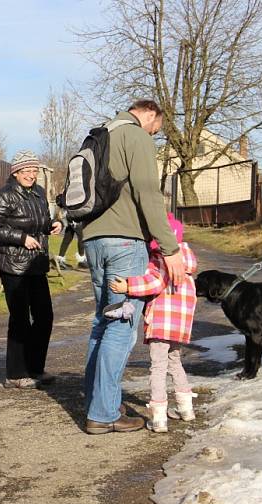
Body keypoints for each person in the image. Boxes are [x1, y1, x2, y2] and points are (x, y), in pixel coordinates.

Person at [82, 99, 186, 435]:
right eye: (158, 129)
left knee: (103, 322)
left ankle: (97, 402)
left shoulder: (100, 135)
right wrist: (170, 248)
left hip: (94, 240)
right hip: (125, 242)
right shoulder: (136, 136)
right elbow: (148, 193)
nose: (155, 134)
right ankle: (104, 413)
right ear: (150, 114)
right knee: (121, 327)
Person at [108, 213, 197, 433]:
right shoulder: (185, 258)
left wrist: (128, 286)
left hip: (161, 321)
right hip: (180, 323)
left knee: (158, 366)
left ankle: (158, 417)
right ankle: (186, 409)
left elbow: (154, 282)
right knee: (174, 362)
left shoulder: (160, 259)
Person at [0, 150, 62, 389]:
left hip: (36, 265)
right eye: (26, 171)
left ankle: (35, 368)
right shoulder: (5, 196)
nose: (31, 175)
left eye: (34, 170)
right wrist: (20, 238)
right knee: (20, 319)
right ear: (15, 173)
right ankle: (16, 374)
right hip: (13, 267)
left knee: (44, 317)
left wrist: (52, 225)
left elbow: (39, 222)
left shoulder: (38, 193)